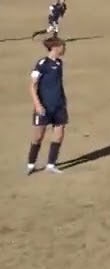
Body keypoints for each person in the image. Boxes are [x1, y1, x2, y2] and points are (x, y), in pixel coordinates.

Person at [28, 37, 68, 174]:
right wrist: (38, 105)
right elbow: (32, 86)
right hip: (44, 106)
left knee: (59, 133)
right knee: (38, 136)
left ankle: (51, 165)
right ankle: (31, 164)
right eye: (63, 46)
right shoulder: (42, 64)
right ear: (55, 47)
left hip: (59, 105)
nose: (64, 49)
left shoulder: (60, 63)